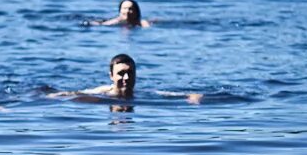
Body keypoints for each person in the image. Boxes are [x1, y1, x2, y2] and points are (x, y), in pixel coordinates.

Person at [51, 54, 202, 104]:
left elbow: (166, 94)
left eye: (130, 73)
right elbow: (72, 93)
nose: (127, 78)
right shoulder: (102, 92)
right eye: (121, 73)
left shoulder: (141, 94)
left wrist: (192, 96)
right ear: (111, 76)